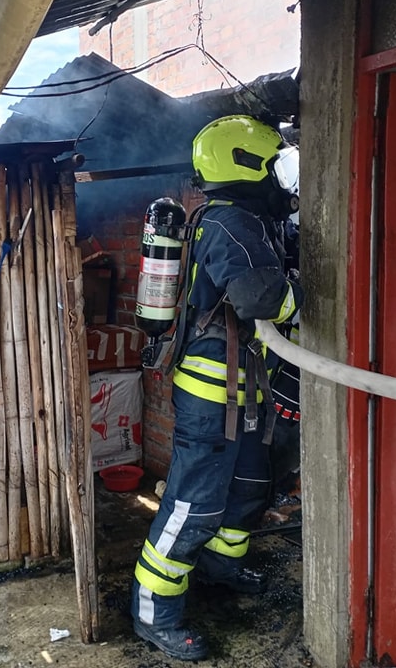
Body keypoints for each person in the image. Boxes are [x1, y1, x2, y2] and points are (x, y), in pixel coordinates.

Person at [130, 114, 303, 661]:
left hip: (247, 390)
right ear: (246, 165)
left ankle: (221, 567)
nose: (284, 177)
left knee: (249, 487)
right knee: (194, 504)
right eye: (276, 164)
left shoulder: (254, 220)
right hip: (211, 395)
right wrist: (312, 294)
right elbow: (261, 299)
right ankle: (153, 611)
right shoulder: (229, 224)